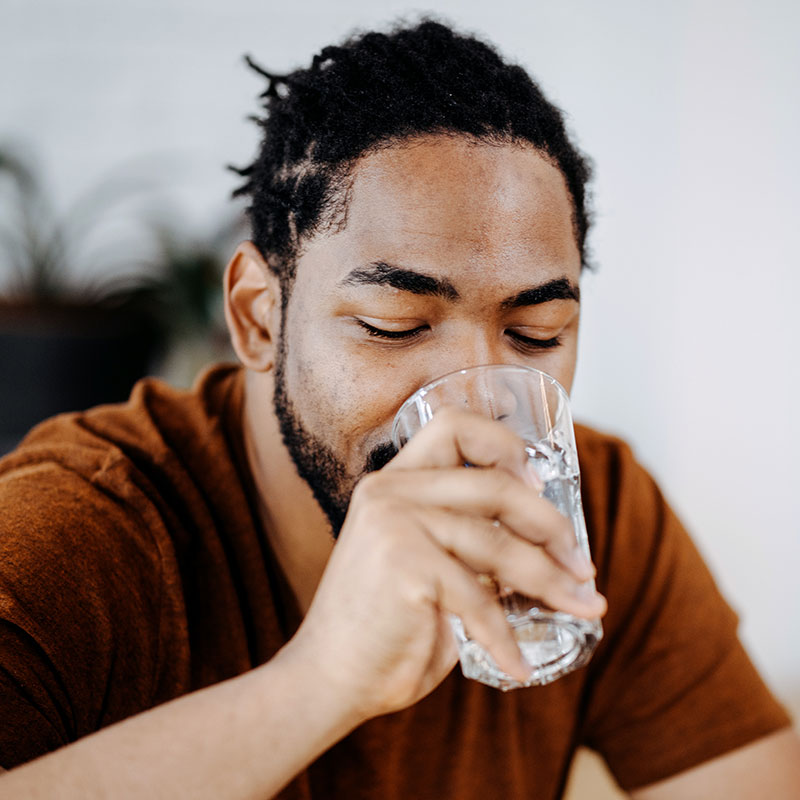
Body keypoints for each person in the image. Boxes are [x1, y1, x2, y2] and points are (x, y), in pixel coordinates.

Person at [0, 19, 797, 799]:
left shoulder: (603, 514)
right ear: (256, 317)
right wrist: (321, 682)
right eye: (395, 326)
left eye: (535, 333)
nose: (477, 407)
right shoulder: (71, 542)